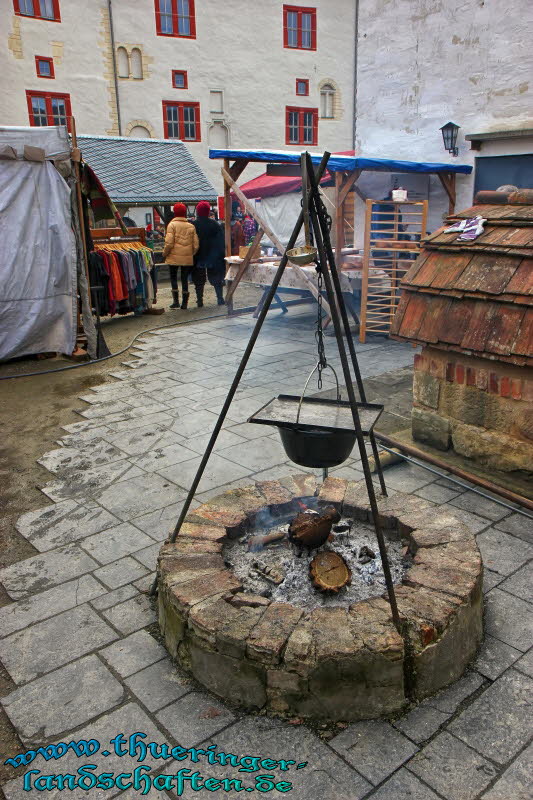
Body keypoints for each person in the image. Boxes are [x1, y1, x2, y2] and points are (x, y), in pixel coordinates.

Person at [163, 202, 199, 310]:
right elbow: (196, 245)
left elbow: (169, 243)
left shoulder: (172, 225)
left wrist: (164, 253)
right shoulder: (191, 226)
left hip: (173, 256)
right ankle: (185, 303)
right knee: (184, 279)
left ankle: (175, 302)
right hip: (187, 256)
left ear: (175, 212)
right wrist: (190, 253)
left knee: (173, 278)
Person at [193, 201, 226, 306]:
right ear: (208, 212)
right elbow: (221, 241)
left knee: (199, 279)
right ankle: (220, 298)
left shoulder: (193, 225)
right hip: (213, 255)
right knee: (216, 278)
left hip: (198, 255)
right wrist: (221, 255)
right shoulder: (215, 224)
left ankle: (200, 300)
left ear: (198, 212)